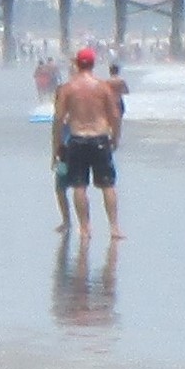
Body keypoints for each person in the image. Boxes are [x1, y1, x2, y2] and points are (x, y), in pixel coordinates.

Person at [52, 47, 123, 240]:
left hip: (77, 139)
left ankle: (85, 228)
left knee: (79, 185)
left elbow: (58, 119)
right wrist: (115, 138)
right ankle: (114, 228)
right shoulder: (103, 87)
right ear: (93, 64)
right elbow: (115, 115)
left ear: (77, 64)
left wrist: (56, 147)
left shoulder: (68, 88)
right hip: (100, 138)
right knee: (108, 184)